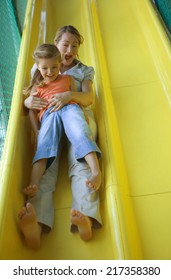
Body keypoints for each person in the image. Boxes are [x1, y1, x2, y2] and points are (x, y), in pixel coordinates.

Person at [18, 25, 103, 249]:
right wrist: (27, 104)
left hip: (78, 116)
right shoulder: (41, 67)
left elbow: (88, 98)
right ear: (56, 43)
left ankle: (86, 217)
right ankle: (35, 225)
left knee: (80, 161)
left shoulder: (83, 70)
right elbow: (29, 98)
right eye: (65, 44)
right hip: (50, 118)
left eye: (75, 45)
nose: (70, 49)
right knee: (47, 162)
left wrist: (68, 95)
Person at [24, 43, 101, 199]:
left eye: (54, 67)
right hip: (49, 114)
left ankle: (95, 172)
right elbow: (32, 112)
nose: (50, 72)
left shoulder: (68, 78)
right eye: (45, 68)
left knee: (80, 132)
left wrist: (81, 114)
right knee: (44, 143)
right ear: (38, 67)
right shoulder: (37, 87)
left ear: (60, 64)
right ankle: (34, 183)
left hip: (69, 108)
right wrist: (36, 130)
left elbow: (74, 96)